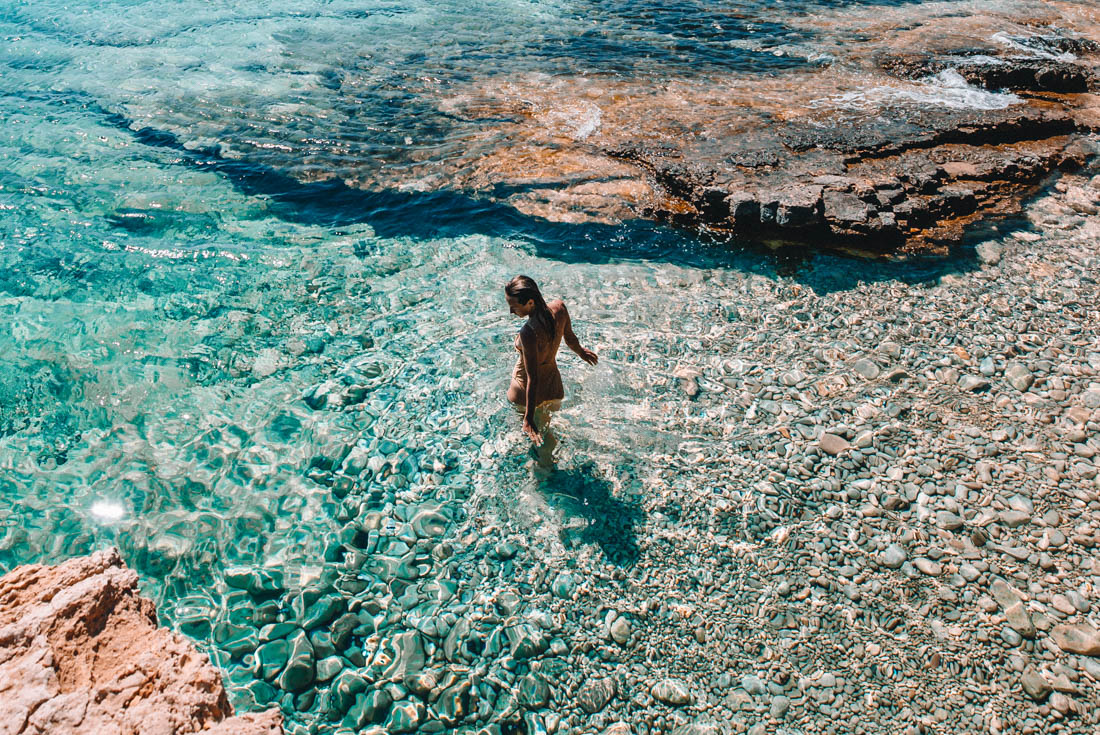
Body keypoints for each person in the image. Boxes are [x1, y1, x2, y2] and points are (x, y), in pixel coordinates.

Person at [505, 275, 598, 449]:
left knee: (533, 442)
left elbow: (533, 377)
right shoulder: (560, 308)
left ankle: (543, 471)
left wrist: (528, 417)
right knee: (547, 433)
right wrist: (581, 352)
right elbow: (570, 338)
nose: (511, 311)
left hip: (525, 394)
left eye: (513, 306)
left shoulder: (528, 332)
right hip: (553, 387)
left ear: (530, 302)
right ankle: (548, 465)